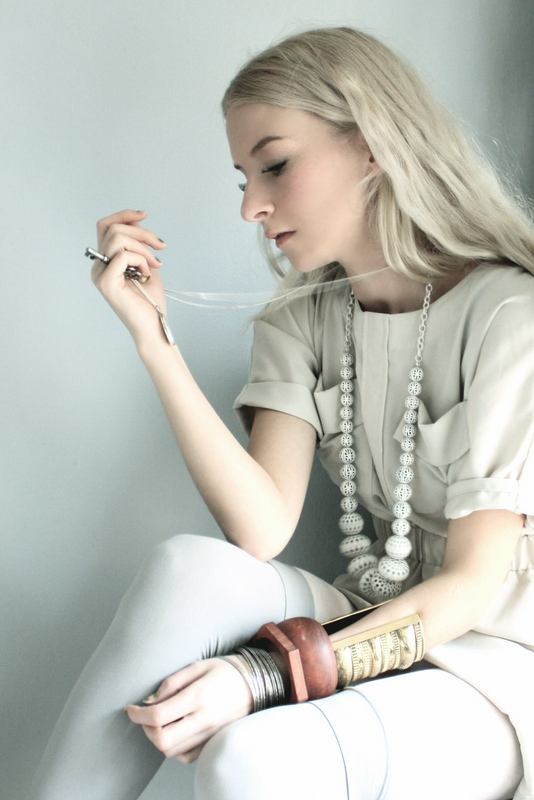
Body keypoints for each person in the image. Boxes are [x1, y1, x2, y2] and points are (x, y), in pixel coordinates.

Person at [30, 26, 534, 800]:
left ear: (372, 145)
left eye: (274, 165)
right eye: (243, 177)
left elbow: (470, 586)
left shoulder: (509, 314)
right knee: (186, 569)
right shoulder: (302, 316)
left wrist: (267, 672)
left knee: (248, 758)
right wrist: (153, 341)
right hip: (376, 615)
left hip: (497, 666)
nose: (250, 206)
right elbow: (261, 529)